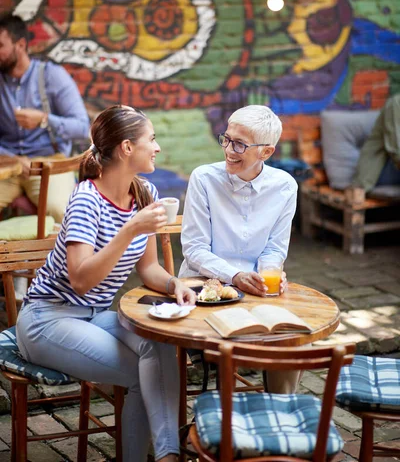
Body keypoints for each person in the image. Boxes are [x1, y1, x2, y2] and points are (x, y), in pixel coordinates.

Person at [16, 105, 197, 462]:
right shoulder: (87, 199)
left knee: (159, 348)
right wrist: (130, 228)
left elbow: (148, 269)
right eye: (152, 139)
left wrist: (175, 283)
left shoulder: (144, 192)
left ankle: (166, 455)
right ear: (127, 148)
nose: (157, 147)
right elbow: (81, 279)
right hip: (47, 319)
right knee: (145, 376)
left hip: (94, 314)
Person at [179, 104, 299, 393]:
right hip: (204, 292)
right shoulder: (204, 179)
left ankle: (278, 418)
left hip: (256, 294)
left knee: (290, 342)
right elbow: (194, 249)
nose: (229, 150)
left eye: (240, 144)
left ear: (266, 152)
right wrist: (235, 276)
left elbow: (274, 249)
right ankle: (223, 427)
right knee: (226, 351)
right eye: (227, 139)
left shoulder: (285, 186)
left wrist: (269, 272)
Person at [0, 13, 90, 222]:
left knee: (62, 211)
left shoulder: (52, 75)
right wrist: (11, 159)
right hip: (6, 165)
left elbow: (81, 127)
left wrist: (44, 119)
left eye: (1, 46)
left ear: (20, 45)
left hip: (49, 163)